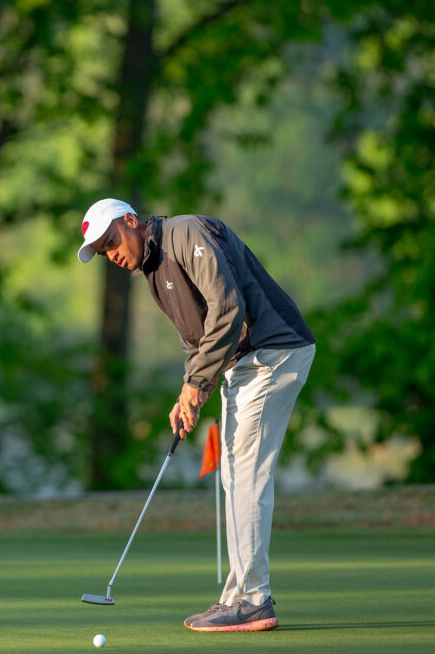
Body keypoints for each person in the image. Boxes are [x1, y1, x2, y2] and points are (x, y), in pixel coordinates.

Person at [77, 197, 315, 633]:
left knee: (246, 475)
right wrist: (188, 391)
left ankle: (253, 600)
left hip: (273, 352)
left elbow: (227, 309)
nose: (111, 253)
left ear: (132, 221)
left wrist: (198, 384)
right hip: (243, 364)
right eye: (102, 251)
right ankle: (237, 596)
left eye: (111, 240)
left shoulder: (186, 234)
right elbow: (196, 339)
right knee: (233, 477)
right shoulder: (153, 274)